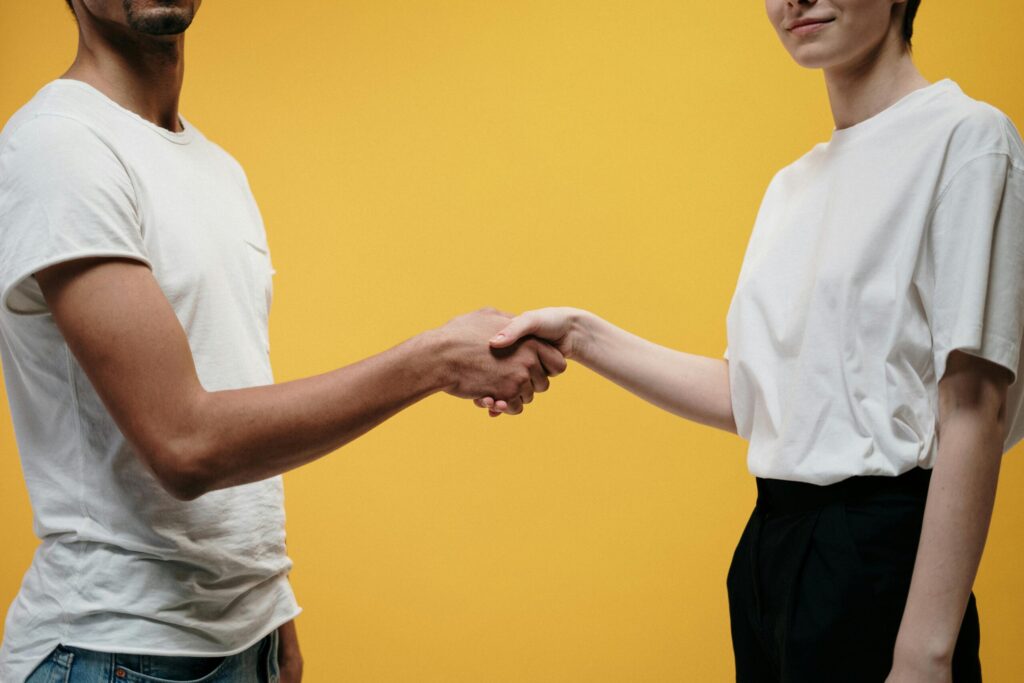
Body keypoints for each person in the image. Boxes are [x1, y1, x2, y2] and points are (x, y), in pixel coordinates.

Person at [0, 1, 566, 681]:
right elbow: (185, 444)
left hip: (247, 640)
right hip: (113, 651)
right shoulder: (59, 146)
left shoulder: (216, 168)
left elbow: (236, 393)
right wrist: (432, 361)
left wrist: (272, 608)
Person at [478, 0, 1024, 680]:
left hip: (883, 563)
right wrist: (581, 334)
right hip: (771, 556)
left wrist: (926, 650)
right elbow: (756, 398)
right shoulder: (790, 188)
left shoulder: (969, 140)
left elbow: (974, 407)